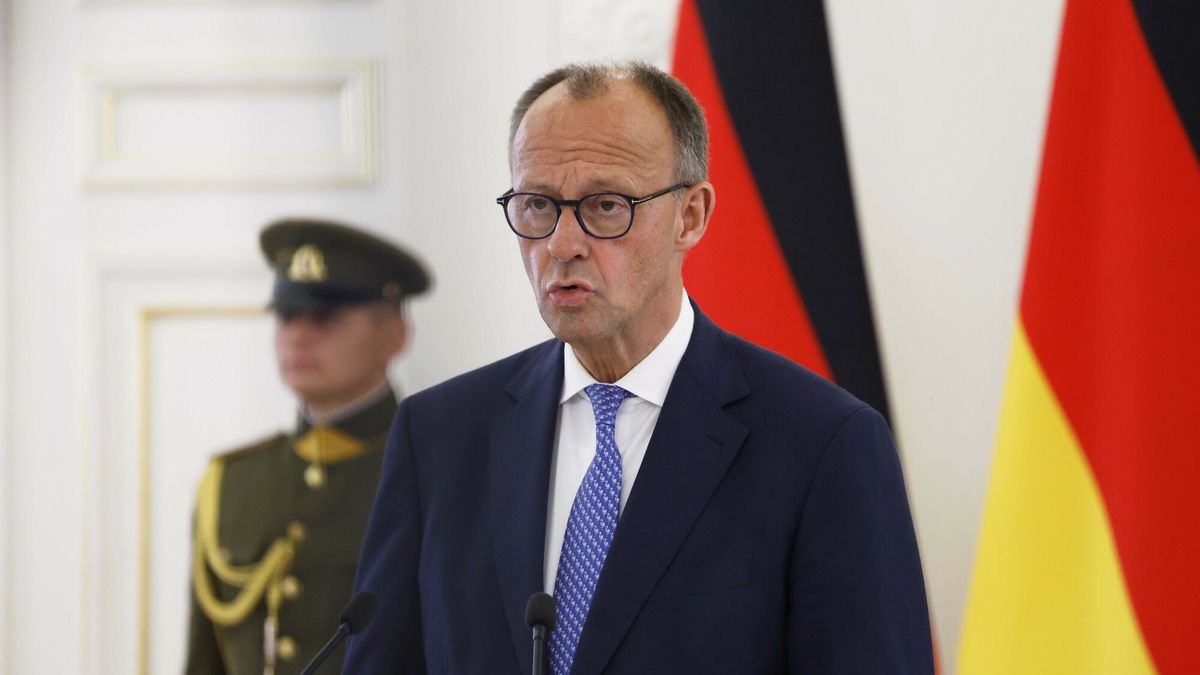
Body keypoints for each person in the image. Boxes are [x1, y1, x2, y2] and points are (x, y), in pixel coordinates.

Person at [347, 62, 932, 674]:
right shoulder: (438, 435)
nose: (561, 244)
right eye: (537, 205)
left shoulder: (822, 444)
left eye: (605, 205)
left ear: (691, 216)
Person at [184, 218, 431, 675]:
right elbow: (205, 662)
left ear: (395, 334)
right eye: (286, 316)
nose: (298, 335)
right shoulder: (232, 483)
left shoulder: (438, 473)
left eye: (325, 317)